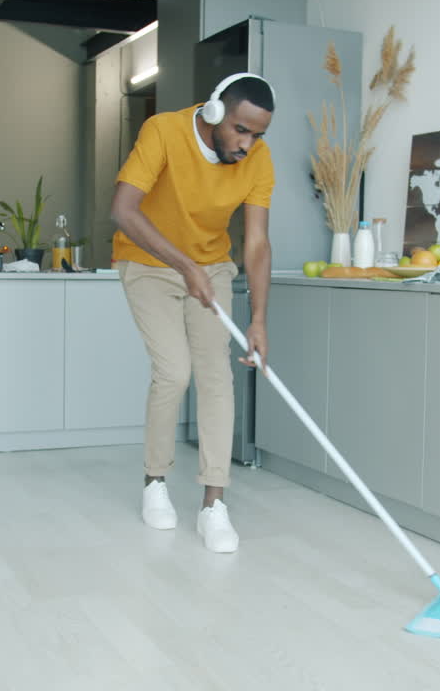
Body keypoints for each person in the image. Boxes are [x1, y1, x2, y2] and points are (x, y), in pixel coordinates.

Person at [110, 73, 275, 553]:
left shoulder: (258, 159)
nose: (247, 145)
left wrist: (258, 319)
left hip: (212, 265)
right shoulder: (163, 131)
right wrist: (185, 267)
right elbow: (123, 210)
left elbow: (257, 242)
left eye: (257, 135)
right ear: (215, 112)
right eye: (241, 130)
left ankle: (213, 506)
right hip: (148, 262)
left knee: (216, 376)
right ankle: (155, 481)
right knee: (174, 371)